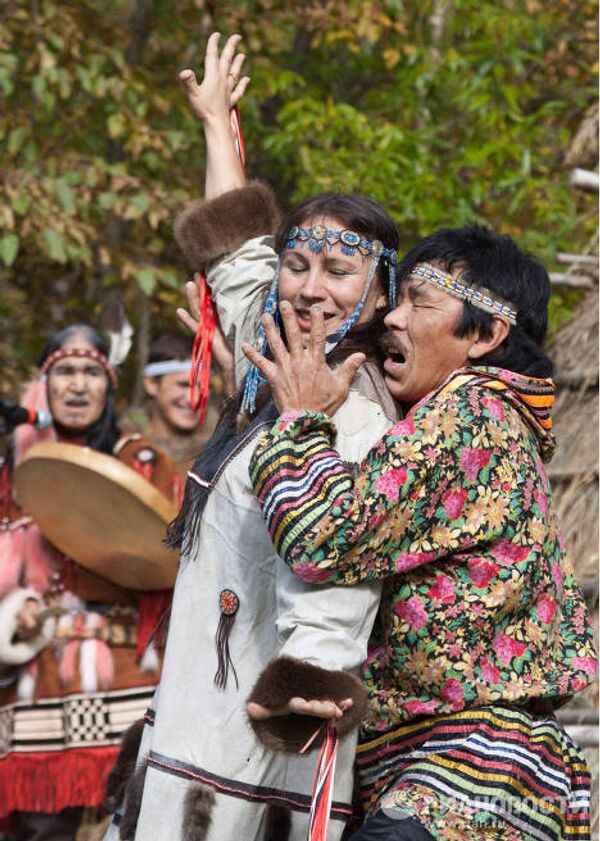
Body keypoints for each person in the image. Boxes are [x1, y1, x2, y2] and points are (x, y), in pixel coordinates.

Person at [107, 33, 402, 841]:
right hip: (193, 725)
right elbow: (236, 258)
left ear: (379, 297)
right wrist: (214, 123)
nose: (308, 288)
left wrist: (308, 685)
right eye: (297, 263)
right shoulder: (271, 361)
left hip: (254, 755)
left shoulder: (358, 414)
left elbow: (342, 563)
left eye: (338, 272)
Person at [247, 226, 598, 841]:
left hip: (467, 773)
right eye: (396, 298)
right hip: (459, 772)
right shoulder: (490, 420)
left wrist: (300, 422)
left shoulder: (466, 415)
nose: (393, 317)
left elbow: (321, 539)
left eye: (420, 303)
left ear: (487, 335)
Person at [0, 324, 180, 841]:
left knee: (130, 822)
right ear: (44, 384)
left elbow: (171, 561)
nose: (77, 386)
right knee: (41, 827)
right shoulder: (12, 472)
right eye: (64, 373)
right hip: (36, 678)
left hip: (126, 672)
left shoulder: (141, 462)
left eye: (89, 373)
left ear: (108, 386)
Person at [121, 332, 231, 481]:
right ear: (151, 384)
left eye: (205, 387)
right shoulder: (122, 446)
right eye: (184, 385)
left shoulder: (221, 449)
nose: (196, 398)